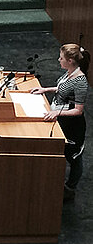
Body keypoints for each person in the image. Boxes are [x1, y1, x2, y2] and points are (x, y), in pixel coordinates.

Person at [31, 43, 90, 200]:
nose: (58, 60)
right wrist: (46, 89)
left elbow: (78, 110)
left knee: (74, 158)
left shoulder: (81, 82)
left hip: (72, 126)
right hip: (61, 118)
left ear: (70, 61)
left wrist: (57, 112)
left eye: (61, 58)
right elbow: (62, 87)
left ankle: (70, 189)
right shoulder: (70, 73)